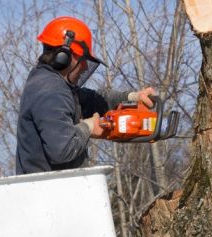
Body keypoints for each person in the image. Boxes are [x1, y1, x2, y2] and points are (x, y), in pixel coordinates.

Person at [16, 16, 154, 174]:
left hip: (52, 189)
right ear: (65, 57)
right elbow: (63, 150)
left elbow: (93, 100)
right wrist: (88, 127)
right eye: (84, 59)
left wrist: (133, 97)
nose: (85, 66)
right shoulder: (51, 92)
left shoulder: (50, 84)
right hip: (50, 192)